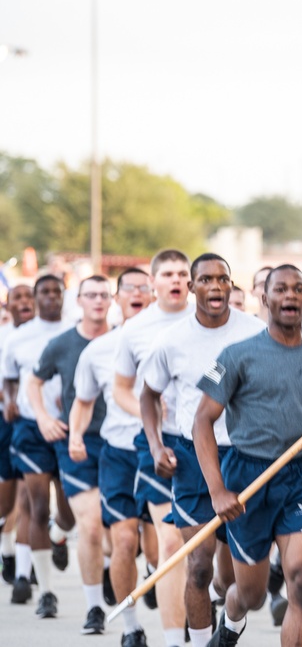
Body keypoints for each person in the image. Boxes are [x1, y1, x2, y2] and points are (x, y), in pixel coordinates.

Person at [193, 264, 302, 647]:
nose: (291, 296)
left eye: (299, 289)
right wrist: (217, 491)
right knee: (251, 594)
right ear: (265, 299)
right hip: (248, 477)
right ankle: (231, 622)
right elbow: (202, 421)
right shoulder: (236, 355)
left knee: (300, 579)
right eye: (281, 289)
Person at [140, 254, 265, 647]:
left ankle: (230, 623)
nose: (215, 286)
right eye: (206, 279)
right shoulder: (172, 340)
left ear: (232, 286)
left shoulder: (257, 333)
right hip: (191, 456)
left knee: (234, 581)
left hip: (245, 455)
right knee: (197, 566)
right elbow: (148, 396)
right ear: (193, 287)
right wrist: (157, 445)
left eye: (223, 279)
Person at [70, 268, 154, 647]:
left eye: (143, 287)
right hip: (118, 454)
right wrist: (75, 435)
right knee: (122, 541)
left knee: (161, 546)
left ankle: (175, 598)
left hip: (163, 452)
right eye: (129, 288)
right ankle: (131, 626)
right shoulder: (98, 350)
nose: (136, 293)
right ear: (117, 299)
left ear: (152, 295)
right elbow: (83, 403)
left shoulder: (172, 340)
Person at [114, 249, 193, 647]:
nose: (176, 280)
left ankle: (210, 625)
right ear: (153, 281)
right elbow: (121, 390)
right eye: (168, 274)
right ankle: (173, 640)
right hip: (159, 443)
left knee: (206, 547)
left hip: (211, 443)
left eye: (183, 273)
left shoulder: (210, 318)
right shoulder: (137, 329)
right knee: (172, 541)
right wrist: (152, 418)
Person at [26, 275, 112, 631]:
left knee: (115, 528)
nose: (97, 300)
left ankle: (64, 538)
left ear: (112, 300)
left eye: (104, 295)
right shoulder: (61, 344)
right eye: (90, 295)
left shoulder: (122, 340)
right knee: (90, 528)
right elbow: (34, 382)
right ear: (78, 300)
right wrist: (44, 418)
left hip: (118, 442)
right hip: (75, 442)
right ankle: (95, 608)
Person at [1, 274, 73, 616]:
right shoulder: (18, 338)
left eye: (54, 291)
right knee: (38, 506)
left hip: (72, 427)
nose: (48, 297)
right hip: (31, 429)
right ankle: (45, 591)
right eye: (42, 291)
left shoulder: (76, 330)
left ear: (62, 295)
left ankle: (60, 535)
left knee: (70, 510)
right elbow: (10, 378)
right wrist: (10, 401)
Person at [0, 284, 35, 585]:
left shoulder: (48, 335)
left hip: (32, 426)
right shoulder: (5, 338)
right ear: (8, 306)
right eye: (17, 298)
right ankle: (7, 548)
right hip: (4, 423)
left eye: (29, 297)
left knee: (28, 498)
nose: (24, 302)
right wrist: (7, 399)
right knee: (6, 501)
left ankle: (23, 572)